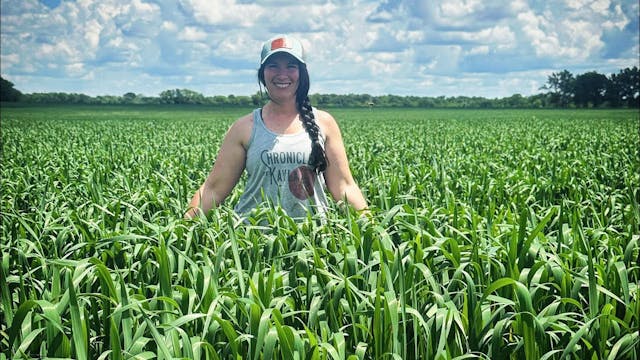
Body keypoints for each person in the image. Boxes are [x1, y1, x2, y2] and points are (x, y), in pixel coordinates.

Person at [185, 35, 368, 220]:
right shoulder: (244, 128)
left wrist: (375, 233)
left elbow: (344, 187)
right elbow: (213, 189)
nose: (282, 74)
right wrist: (182, 232)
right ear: (262, 73)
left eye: (291, 66)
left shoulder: (324, 123)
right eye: (273, 66)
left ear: (302, 73)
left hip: (313, 241)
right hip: (254, 242)